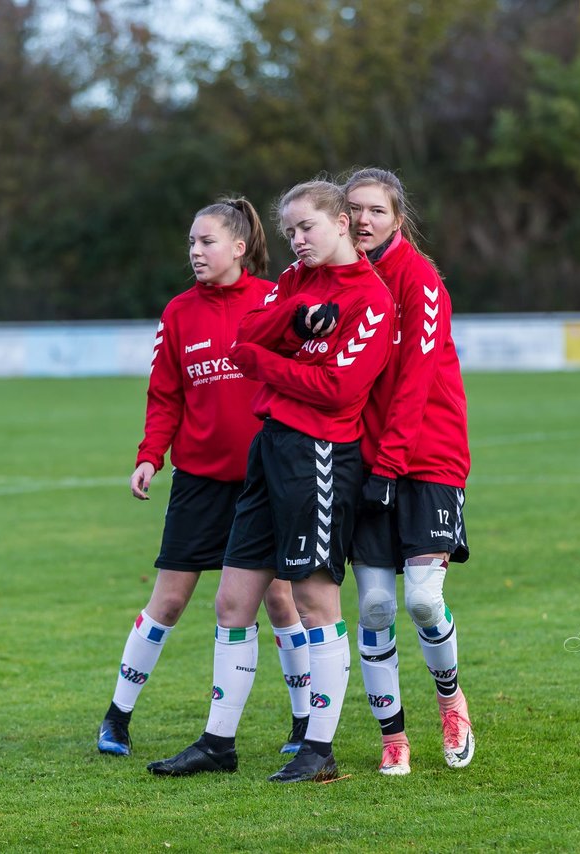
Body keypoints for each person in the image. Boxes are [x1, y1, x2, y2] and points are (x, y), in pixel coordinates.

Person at [146, 179, 395, 783]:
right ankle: (217, 742)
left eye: (306, 227)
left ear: (341, 222)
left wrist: (267, 361)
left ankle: (319, 749)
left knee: (313, 600)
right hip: (269, 445)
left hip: (320, 453)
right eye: (289, 231)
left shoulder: (372, 298)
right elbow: (244, 337)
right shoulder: (294, 282)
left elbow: (337, 390)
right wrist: (296, 326)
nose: (296, 239)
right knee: (232, 601)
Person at [96, 197, 312, 759]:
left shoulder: (273, 300)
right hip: (198, 481)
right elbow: (165, 393)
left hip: (265, 480)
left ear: (239, 248)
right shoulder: (178, 313)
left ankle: (302, 723)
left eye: (207, 241)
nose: (195, 251)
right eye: (191, 242)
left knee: (281, 603)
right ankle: (116, 718)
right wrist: (150, 454)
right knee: (167, 601)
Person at [345, 167, 474, 776]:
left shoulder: (419, 280)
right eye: (354, 210)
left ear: (398, 218)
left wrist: (390, 465)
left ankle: (451, 703)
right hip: (368, 462)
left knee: (422, 600)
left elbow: (417, 382)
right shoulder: (335, 280)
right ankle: (392, 736)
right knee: (373, 608)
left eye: (376, 210)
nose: (364, 220)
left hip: (428, 459)